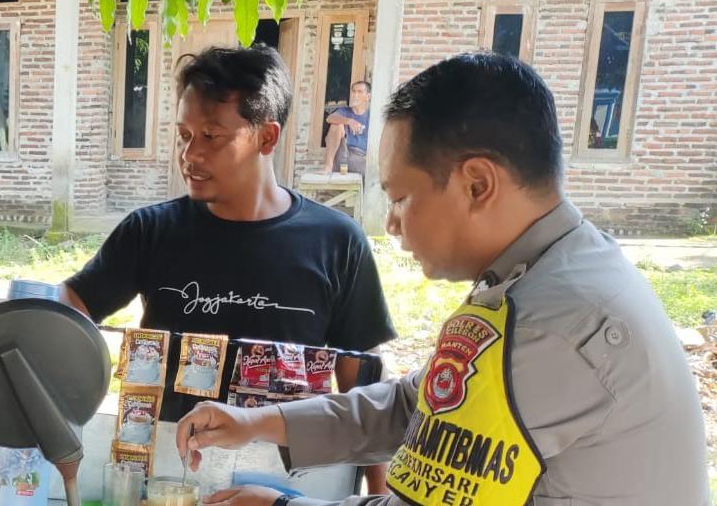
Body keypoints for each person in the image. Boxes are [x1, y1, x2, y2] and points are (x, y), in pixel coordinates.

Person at [176, 52, 709, 506]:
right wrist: (258, 422)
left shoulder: (546, 323)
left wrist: (279, 505)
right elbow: (416, 404)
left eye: (401, 198)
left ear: (477, 184)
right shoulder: (560, 268)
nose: (391, 223)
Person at [0, 45, 397, 486]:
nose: (190, 155)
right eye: (184, 135)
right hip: (167, 476)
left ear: (266, 136)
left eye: (211, 137)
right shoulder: (152, 231)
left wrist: (380, 495)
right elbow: (70, 310)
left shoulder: (337, 242)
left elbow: (365, 390)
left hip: (287, 486)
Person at [323, 81, 371, 175]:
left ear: (368, 96)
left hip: (360, 157)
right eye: (354, 91)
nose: (355, 95)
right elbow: (329, 118)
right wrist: (349, 121)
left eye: (359, 92)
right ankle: (328, 166)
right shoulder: (344, 111)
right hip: (342, 153)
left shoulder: (371, 116)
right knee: (336, 124)